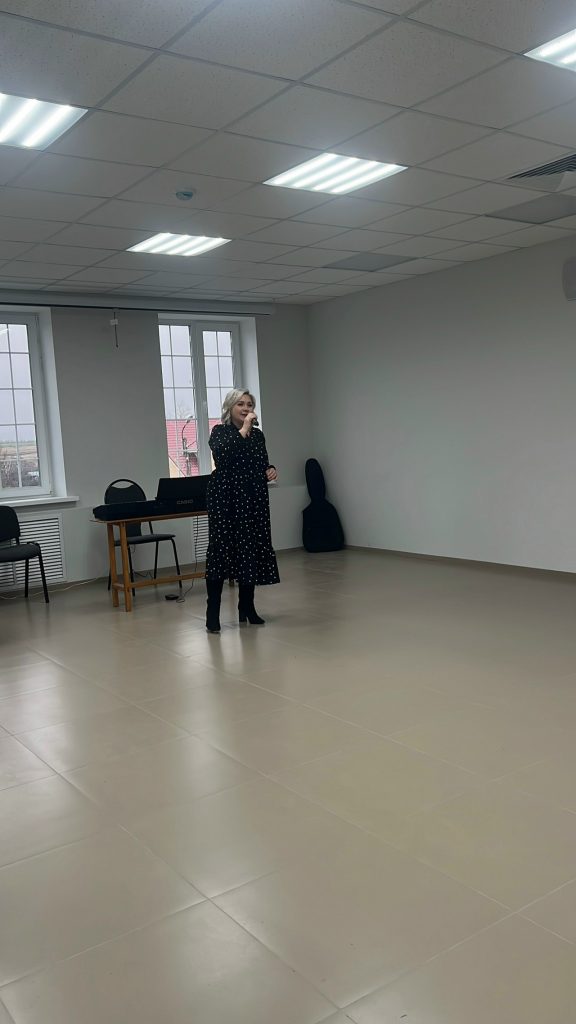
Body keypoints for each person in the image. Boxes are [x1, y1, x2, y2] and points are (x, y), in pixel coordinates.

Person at [205, 389, 279, 633]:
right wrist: (244, 429)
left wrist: (269, 469)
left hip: (253, 497)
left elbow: (261, 462)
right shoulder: (220, 432)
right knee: (221, 550)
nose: (246, 408)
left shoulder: (258, 436)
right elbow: (223, 455)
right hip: (226, 498)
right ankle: (212, 612)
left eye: (249, 404)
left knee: (250, 549)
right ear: (230, 408)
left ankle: (247, 607)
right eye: (241, 404)